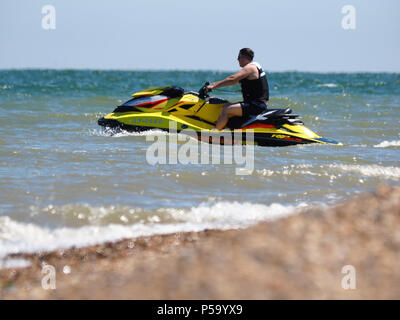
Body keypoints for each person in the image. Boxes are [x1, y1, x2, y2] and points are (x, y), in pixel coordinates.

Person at [206, 48, 269, 130]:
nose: (237, 59)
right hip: (256, 104)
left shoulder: (250, 68)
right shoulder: (255, 66)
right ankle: (228, 131)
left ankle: (214, 134)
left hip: (256, 105)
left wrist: (214, 85)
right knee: (226, 107)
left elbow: (232, 79)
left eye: (239, 57)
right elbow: (253, 85)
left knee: (226, 109)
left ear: (245, 58)